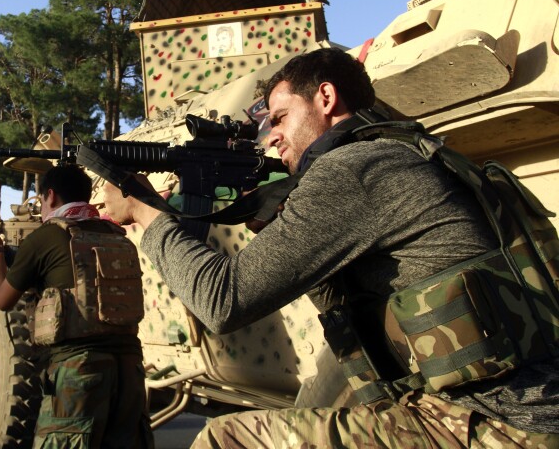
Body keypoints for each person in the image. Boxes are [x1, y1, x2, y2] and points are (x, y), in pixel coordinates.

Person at [103, 47, 559, 448]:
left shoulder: (352, 170)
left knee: (227, 438)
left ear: (325, 98)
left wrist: (148, 215)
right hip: (520, 409)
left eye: (280, 118)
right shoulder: (405, 152)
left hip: (493, 425)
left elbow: (221, 302)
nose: (272, 136)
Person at [0, 164, 153, 448]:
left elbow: (2, 299)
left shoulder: (46, 237)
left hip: (79, 372)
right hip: (130, 372)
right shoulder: (114, 233)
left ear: (50, 196)